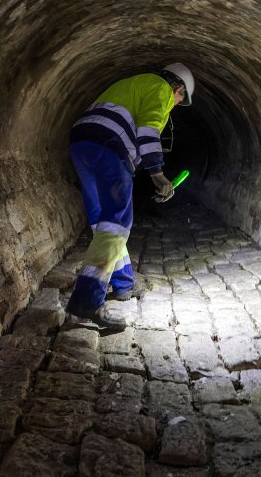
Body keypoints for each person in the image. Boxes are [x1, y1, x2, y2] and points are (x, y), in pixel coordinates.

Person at [64, 63, 196, 330]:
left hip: (81, 140)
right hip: (109, 145)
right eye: (179, 100)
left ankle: (123, 283)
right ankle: (87, 300)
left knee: (103, 220)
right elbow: (148, 131)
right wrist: (157, 174)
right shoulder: (161, 88)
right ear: (178, 88)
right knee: (117, 223)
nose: (174, 105)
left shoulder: (132, 82)